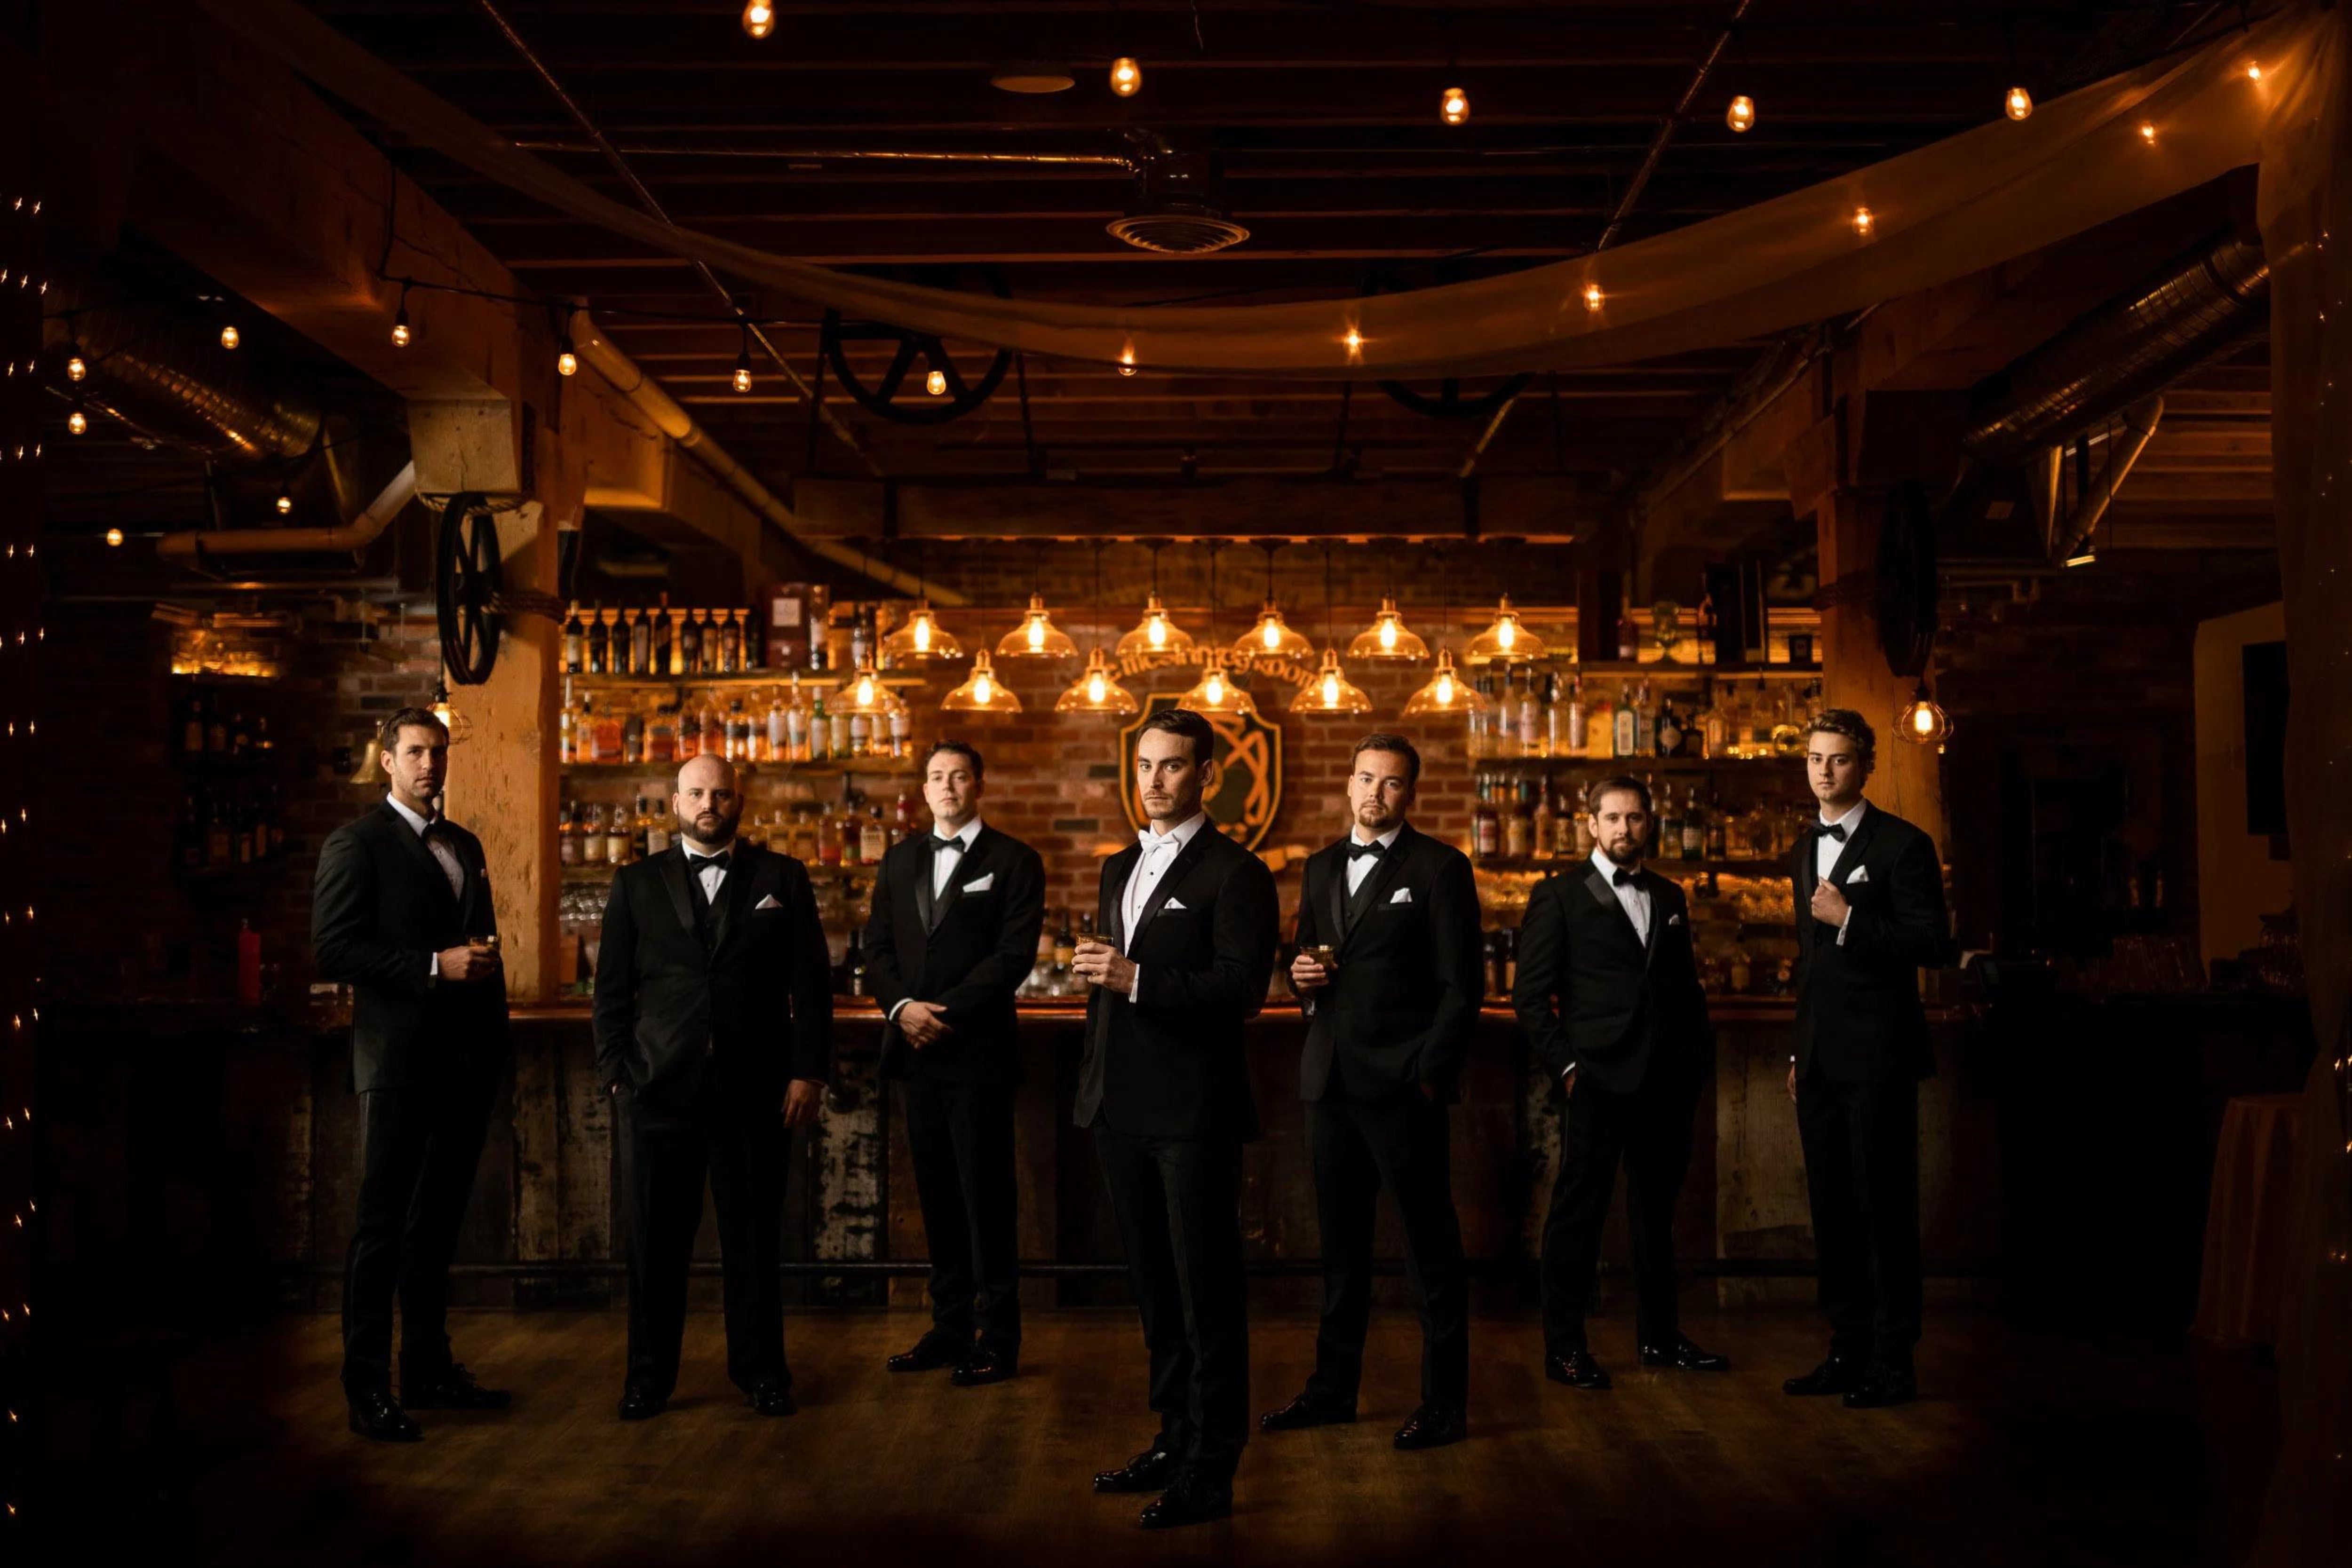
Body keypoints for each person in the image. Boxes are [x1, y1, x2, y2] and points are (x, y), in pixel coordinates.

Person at [1072, 708, 1278, 1530]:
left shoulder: (1238, 872)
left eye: (1172, 767)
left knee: (1207, 1293)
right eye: (1146, 765)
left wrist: (1135, 977)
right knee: (1156, 1293)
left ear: (1208, 777)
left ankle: (1212, 1467)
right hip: (1119, 1106)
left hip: (1194, 1112)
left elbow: (1242, 991)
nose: (1154, 780)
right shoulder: (1118, 864)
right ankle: (1172, 1437)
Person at [593, 753, 833, 1422]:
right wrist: (617, 1070)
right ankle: (648, 1379)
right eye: (697, 793)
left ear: (739, 801)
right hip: (656, 1089)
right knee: (653, 1245)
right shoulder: (635, 882)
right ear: (675, 801)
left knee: (754, 1240)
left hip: (756, 1090)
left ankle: (762, 1373)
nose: (710, 803)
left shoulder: (781, 877)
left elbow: (811, 985)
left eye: (721, 793)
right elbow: (611, 989)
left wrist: (808, 1070)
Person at [1261, 734, 1479, 1450]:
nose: (1374, 794)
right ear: (1348, 783)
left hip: (1404, 1086)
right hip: (1330, 1083)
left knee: (1430, 1250)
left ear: (1408, 793)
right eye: (1364, 779)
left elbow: (1461, 988)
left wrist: (1423, 1067)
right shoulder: (1322, 866)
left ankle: (1445, 1404)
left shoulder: (1441, 868)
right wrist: (1303, 983)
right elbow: (1305, 964)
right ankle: (1331, 1393)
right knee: (1341, 1251)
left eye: (1390, 784)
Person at [312, 706, 511, 1441]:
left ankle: (427, 1369)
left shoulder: (464, 842)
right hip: (397, 1062)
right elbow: (332, 949)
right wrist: (435, 965)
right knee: (381, 1227)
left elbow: (481, 949)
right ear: (389, 759)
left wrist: (493, 1042)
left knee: (436, 1226)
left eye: (440, 752)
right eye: (417, 752)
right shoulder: (355, 843)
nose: (431, 764)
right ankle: (367, 1388)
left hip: (464, 1064)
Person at [1513, 775, 1727, 1393]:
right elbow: (1530, 997)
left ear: (1649, 823)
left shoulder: (1669, 894)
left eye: (1634, 819)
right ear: (1591, 824)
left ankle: (1660, 1338)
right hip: (1598, 1079)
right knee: (1578, 1214)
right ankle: (1565, 1348)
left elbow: (1685, 990)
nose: (1623, 829)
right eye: (1612, 818)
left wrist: (1695, 1064)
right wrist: (1570, 1068)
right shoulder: (1558, 895)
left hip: (1666, 1082)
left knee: (1656, 1216)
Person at [864, 741, 1046, 1386]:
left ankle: (998, 1338)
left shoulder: (1015, 860)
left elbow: (1013, 957)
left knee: (986, 1200)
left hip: (975, 1054)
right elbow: (876, 948)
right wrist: (902, 1007)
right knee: (938, 1199)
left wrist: (942, 1013)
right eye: (937, 776)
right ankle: (947, 1329)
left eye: (959, 775)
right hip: (912, 1054)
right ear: (924, 786)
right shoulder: (899, 857)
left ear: (980, 783)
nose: (947, 786)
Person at [1782, 710, 1949, 1410]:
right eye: (1816, 758)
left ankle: (1893, 1360)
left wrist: (1848, 920)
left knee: (1884, 1208)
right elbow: (1809, 964)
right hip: (1822, 1057)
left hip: (1879, 1056)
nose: (1825, 770)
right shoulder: (1802, 846)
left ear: (1866, 765)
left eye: (1840, 759)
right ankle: (1846, 1350)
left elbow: (1933, 943)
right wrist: (1800, 1047)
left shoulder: (1904, 844)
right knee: (1833, 1210)